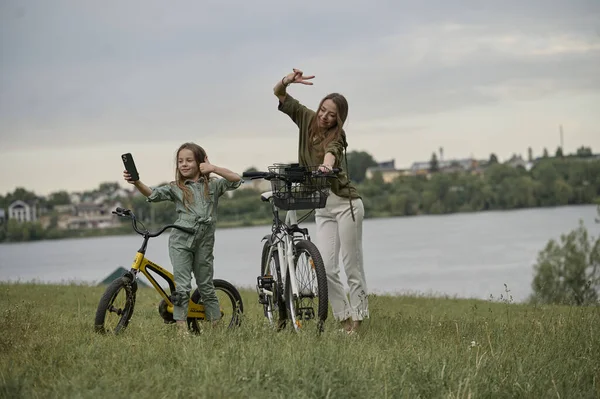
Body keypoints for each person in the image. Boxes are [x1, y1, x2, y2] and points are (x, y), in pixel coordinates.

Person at [273, 68, 369, 333]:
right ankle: (344, 319)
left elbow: (331, 153)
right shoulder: (305, 118)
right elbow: (278, 94)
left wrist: (327, 166)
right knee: (325, 267)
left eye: (332, 115)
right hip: (322, 205)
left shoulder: (337, 136)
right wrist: (287, 81)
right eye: (324, 110)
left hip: (345, 203)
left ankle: (358, 322)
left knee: (351, 263)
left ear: (339, 119)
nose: (325, 116)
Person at [123, 142, 242, 333]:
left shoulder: (213, 185)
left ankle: (216, 328)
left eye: (188, 160)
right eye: (180, 161)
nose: (184, 164)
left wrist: (214, 168)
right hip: (181, 242)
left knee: (206, 285)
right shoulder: (175, 188)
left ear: (200, 162)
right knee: (183, 286)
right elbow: (153, 194)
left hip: (204, 242)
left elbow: (236, 180)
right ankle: (181, 330)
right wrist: (136, 182)